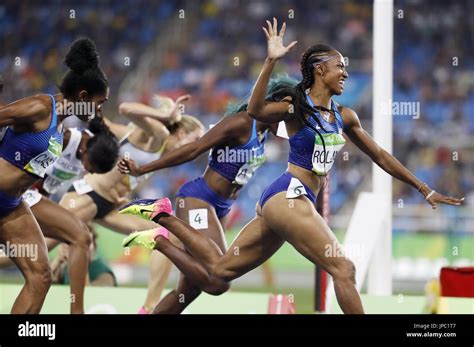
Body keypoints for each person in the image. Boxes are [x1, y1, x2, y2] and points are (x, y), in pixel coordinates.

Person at [120, 19, 464, 314]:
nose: (345, 72)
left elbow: (381, 156)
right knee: (343, 268)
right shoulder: (295, 109)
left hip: (285, 203)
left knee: (218, 275)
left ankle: (160, 222)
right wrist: (270, 61)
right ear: (319, 70)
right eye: (339, 66)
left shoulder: (345, 116)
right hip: (288, 196)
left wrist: (423, 187)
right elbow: (253, 111)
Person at [117, 75, 297, 313]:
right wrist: (144, 168)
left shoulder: (263, 134)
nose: (287, 120)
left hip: (220, 207)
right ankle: (159, 226)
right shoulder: (242, 123)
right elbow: (194, 148)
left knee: (188, 291)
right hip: (199, 198)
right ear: (273, 105)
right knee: (219, 280)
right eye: (286, 112)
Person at [58, 95, 204, 313]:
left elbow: (107, 126)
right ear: (182, 133)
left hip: (110, 206)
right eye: (197, 139)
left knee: (166, 233)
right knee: (45, 246)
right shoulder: (159, 135)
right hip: (87, 197)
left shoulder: (161, 152)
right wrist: (163, 114)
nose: (199, 147)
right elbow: (125, 107)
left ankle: (149, 307)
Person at [0, 38, 109, 313]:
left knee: (41, 276)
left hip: (10, 206)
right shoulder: (40, 108)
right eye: (100, 102)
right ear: (83, 97)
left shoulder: (61, 125)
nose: (100, 110)